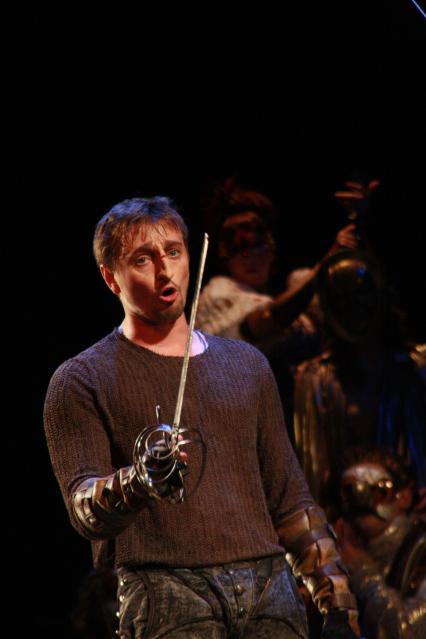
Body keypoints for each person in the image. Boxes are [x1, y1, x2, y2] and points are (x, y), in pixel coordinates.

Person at [44, 196, 362, 638]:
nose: (164, 271)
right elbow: (84, 511)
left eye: (173, 252)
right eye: (142, 259)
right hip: (166, 592)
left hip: (269, 589)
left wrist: (337, 601)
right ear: (111, 278)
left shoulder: (247, 364)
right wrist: (139, 481)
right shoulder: (81, 379)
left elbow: (290, 499)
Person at [293, 249, 426, 508]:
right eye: (340, 298)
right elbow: (312, 477)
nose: (353, 308)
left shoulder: (415, 369)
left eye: (361, 293)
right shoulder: (314, 380)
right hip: (346, 519)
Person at [334, 448, 426, 639]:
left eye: (377, 491)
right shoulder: (343, 553)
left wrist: (364, 577)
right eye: (351, 491)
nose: (362, 502)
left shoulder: (421, 552)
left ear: (404, 497)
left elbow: (408, 631)